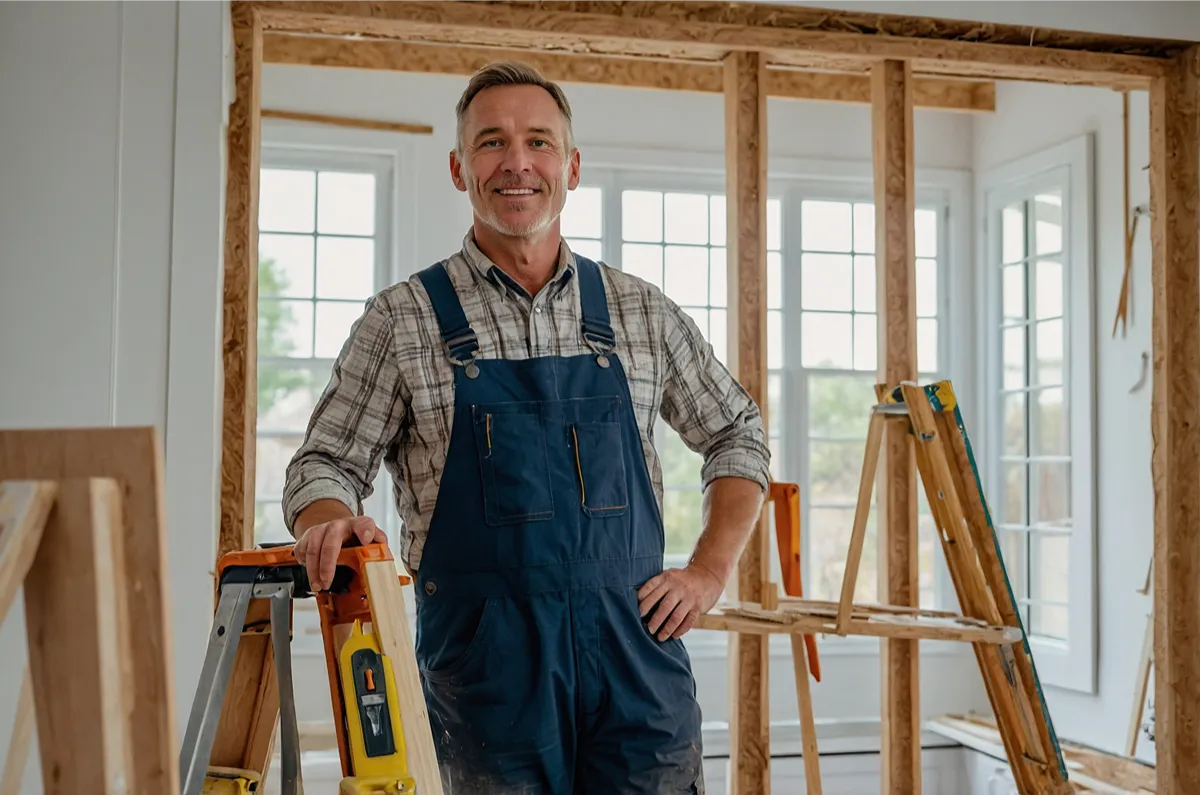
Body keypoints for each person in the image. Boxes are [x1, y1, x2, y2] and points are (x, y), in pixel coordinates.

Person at [282, 60, 771, 794]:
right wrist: (329, 521)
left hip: (636, 668)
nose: (517, 162)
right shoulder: (403, 320)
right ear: (458, 168)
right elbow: (324, 462)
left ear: (571, 168)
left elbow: (738, 432)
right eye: (492, 143)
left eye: (539, 142)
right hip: (486, 681)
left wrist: (707, 571)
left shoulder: (641, 313)